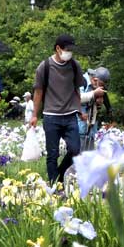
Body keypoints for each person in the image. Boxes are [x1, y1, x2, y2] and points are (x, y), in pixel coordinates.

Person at [30, 34, 86, 185]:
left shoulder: (74, 66)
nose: (70, 53)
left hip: (70, 115)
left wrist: (80, 110)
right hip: (51, 116)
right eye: (67, 50)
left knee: (75, 149)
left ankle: (60, 174)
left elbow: (77, 89)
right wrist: (34, 114)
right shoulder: (45, 67)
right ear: (58, 49)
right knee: (52, 154)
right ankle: (55, 185)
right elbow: (38, 92)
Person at [79, 66, 111, 150]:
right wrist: (94, 93)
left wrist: (99, 103)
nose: (99, 87)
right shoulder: (82, 81)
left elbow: (99, 104)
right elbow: (77, 98)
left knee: (89, 153)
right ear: (94, 79)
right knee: (77, 154)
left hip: (91, 124)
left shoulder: (99, 85)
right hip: (79, 124)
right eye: (99, 84)